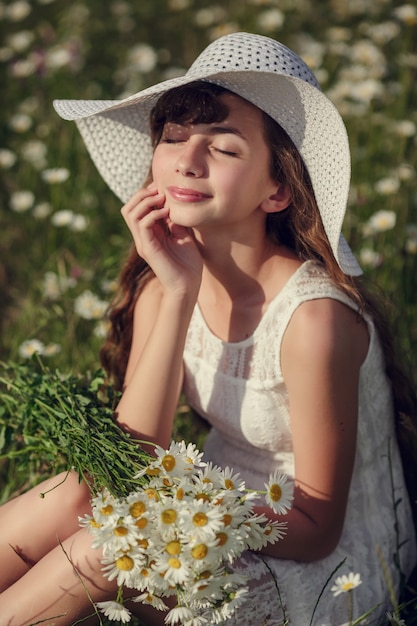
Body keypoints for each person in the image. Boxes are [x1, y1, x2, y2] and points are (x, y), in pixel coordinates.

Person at [0, 32, 416, 626]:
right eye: (173, 139)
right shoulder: (166, 281)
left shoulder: (314, 320)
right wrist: (176, 292)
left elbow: (317, 529)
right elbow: (136, 457)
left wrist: (172, 519)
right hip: (204, 510)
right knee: (75, 490)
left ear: (277, 188)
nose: (187, 160)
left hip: (326, 563)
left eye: (222, 148)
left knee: (104, 550)